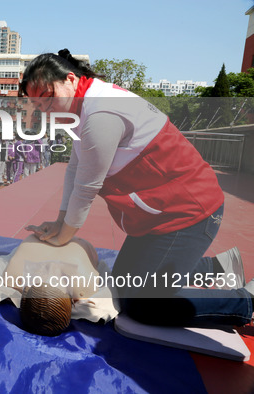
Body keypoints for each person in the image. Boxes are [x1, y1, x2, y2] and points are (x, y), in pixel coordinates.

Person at [22, 49, 250, 327]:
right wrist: (59, 221)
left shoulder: (100, 113)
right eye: (38, 105)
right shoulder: (83, 107)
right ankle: (219, 267)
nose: (47, 108)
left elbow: (86, 187)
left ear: (70, 79)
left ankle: (245, 302)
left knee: (141, 303)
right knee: (123, 283)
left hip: (188, 212)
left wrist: (62, 237)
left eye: (47, 97)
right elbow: (74, 169)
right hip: (159, 214)